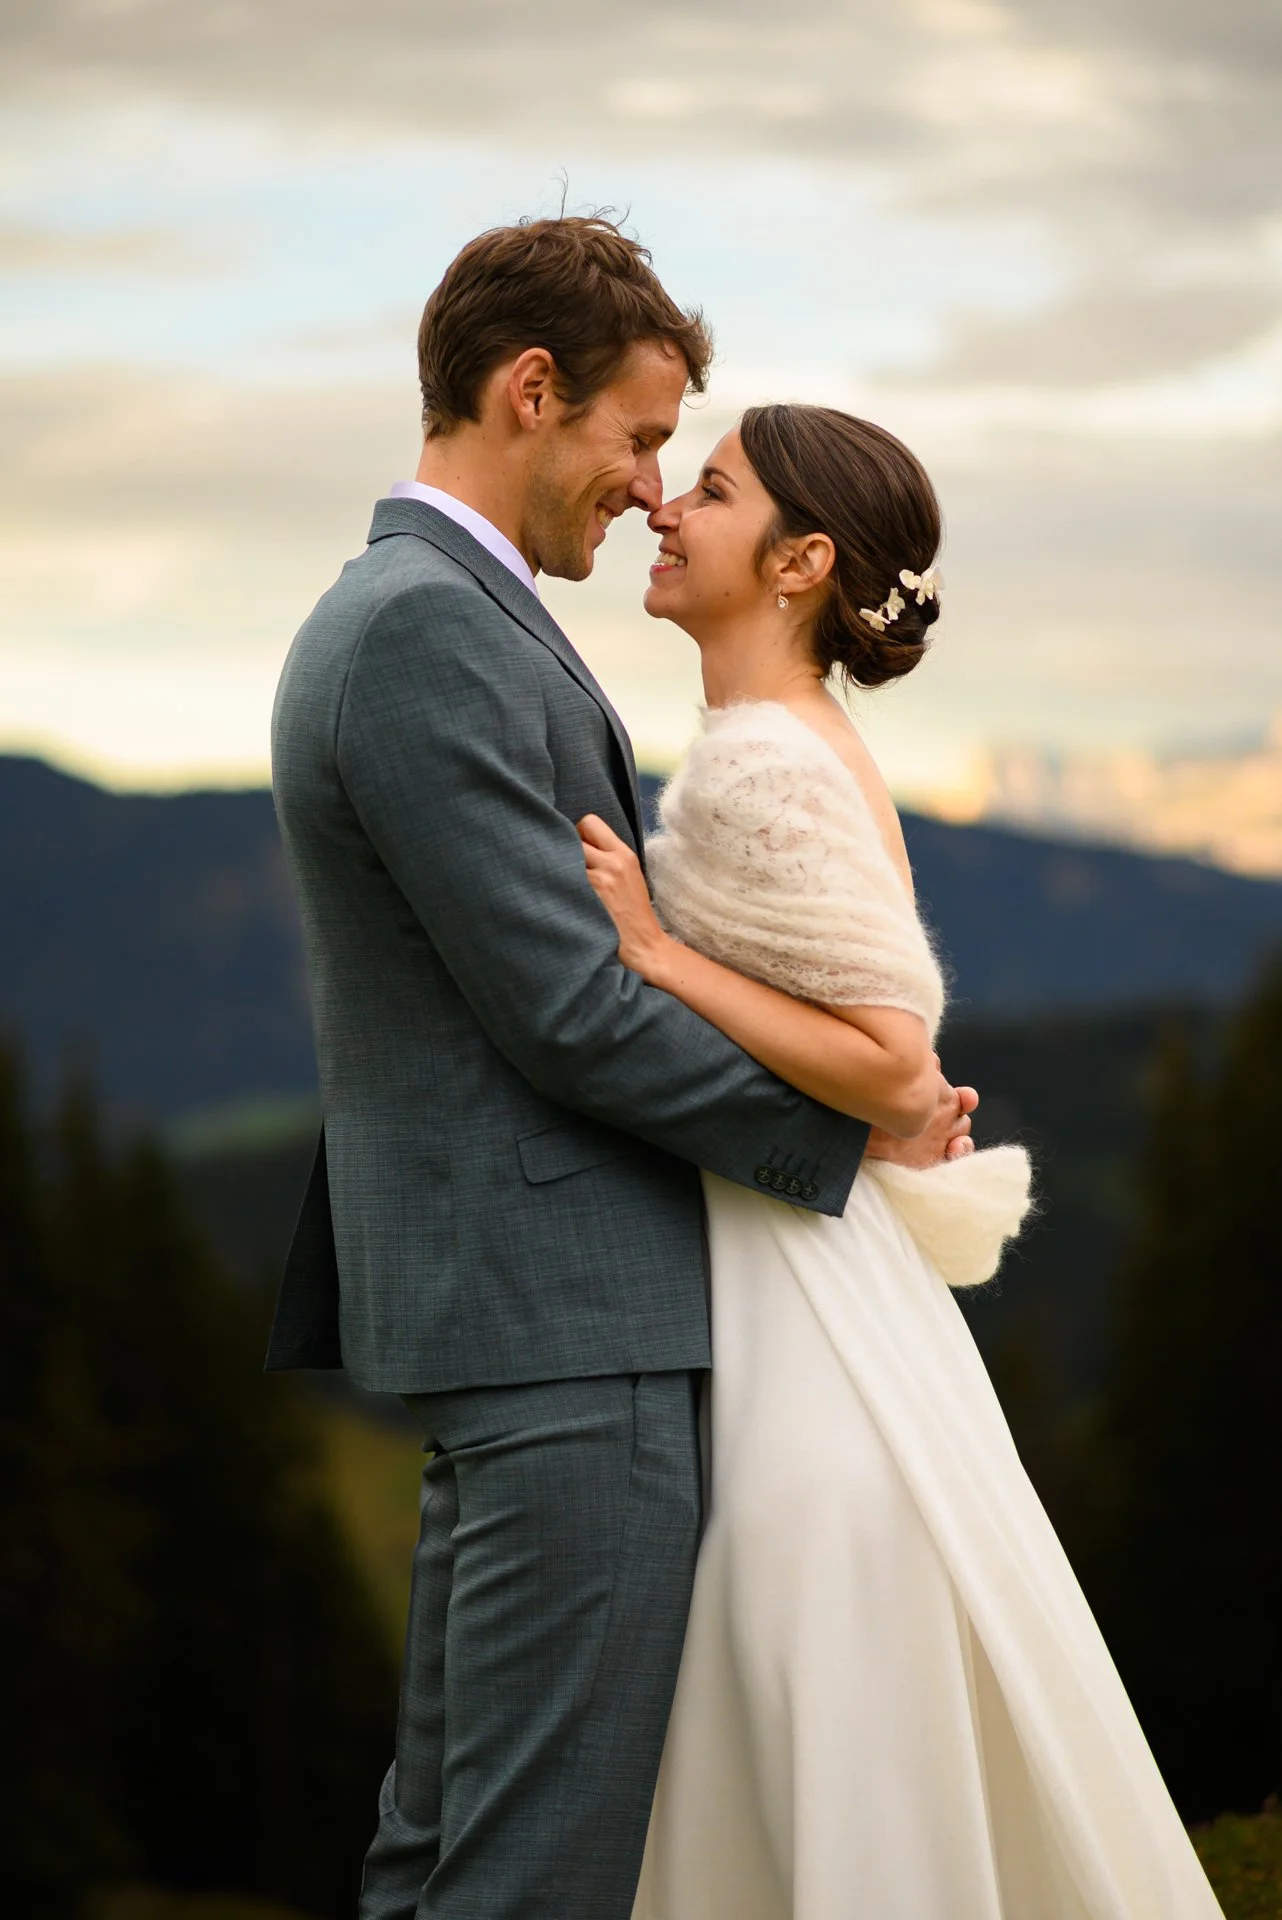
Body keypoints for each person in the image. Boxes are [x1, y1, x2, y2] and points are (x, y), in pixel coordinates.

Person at [265, 219, 974, 1920]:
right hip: (567, 1328)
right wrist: (853, 1126)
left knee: (445, 1852)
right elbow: (569, 1012)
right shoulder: (425, 629)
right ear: (531, 390)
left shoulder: (425, 614)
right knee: (534, 1866)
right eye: (641, 437)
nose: (651, 487)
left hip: (523, 1322)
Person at [578, 403, 1224, 1918]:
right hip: (810, 1262)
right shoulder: (793, 739)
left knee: (797, 1664)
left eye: (711, 490)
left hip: (795, 1296)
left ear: (798, 563)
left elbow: (888, 1058)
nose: (666, 507)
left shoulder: (761, 762)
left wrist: (658, 955)